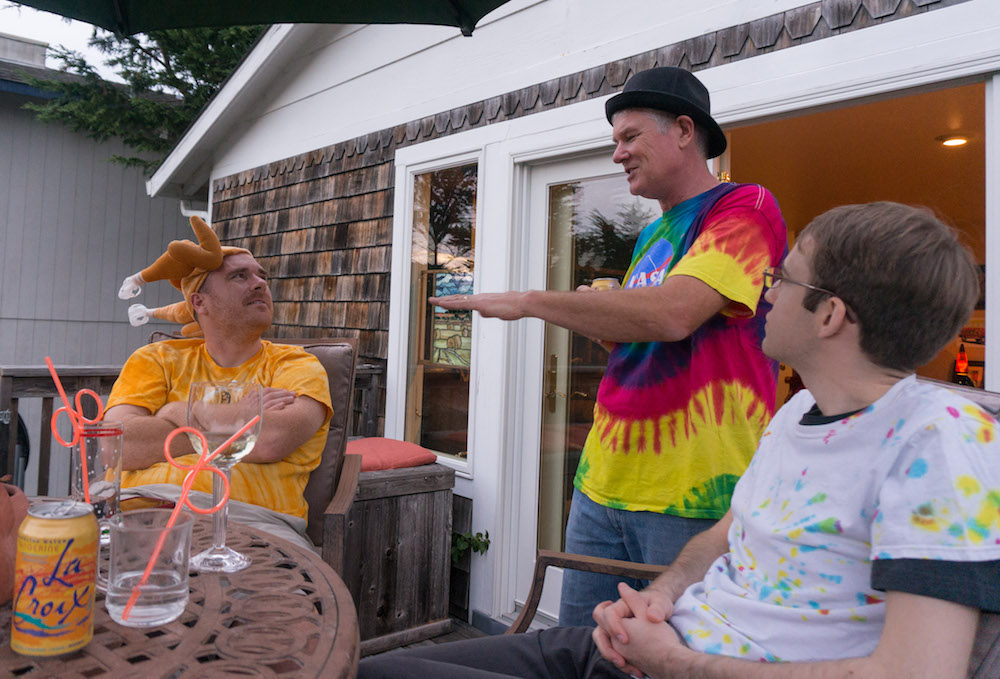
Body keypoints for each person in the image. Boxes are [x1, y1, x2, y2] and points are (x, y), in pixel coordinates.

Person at [359, 201, 1000, 678]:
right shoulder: (798, 412)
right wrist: (662, 596)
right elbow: (724, 535)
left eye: (784, 279)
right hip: (645, 648)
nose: (764, 290)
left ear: (830, 315)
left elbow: (917, 673)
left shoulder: (937, 440)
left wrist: (673, 663)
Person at [432, 66, 788, 625]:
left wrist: (529, 301)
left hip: (692, 495)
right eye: (614, 142)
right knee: (583, 649)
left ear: (685, 132)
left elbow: (674, 314)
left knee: (669, 655)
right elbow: (636, 335)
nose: (617, 154)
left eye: (630, 138)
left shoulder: (745, 207)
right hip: (603, 483)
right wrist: (602, 312)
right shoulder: (653, 232)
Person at [105, 219, 332, 549]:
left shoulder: (295, 364)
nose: (259, 284)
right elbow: (115, 447)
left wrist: (179, 413)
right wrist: (237, 420)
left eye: (261, 276)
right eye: (239, 276)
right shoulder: (157, 359)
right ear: (199, 302)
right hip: (140, 509)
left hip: (254, 523)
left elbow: (271, 440)